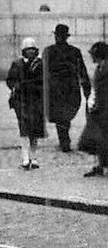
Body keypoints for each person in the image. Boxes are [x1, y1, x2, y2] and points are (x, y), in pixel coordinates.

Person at [43, 23, 91, 152]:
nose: (58, 38)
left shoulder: (51, 51)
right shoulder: (71, 51)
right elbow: (83, 72)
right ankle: (64, 140)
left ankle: (64, 139)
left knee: (63, 115)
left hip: (60, 88)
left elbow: (82, 70)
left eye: (60, 36)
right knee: (63, 115)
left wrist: (86, 87)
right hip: (65, 88)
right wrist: (86, 87)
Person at [7, 37, 46, 169]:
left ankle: (34, 158)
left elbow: (44, 80)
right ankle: (25, 157)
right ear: (24, 51)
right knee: (23, 129)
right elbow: (9, 80)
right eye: (28, 50)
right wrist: (15, 86)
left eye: (33, 50)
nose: (30, 52)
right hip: (21, 99)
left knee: (35, 129)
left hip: (36, 99)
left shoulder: (40, 64)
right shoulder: (17, 64)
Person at [84, 41, 108, 177]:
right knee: (99, 139)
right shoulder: (99, 68)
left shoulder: (105, 68)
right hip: (100, 110)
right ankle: (100, 165)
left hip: (105, 109)